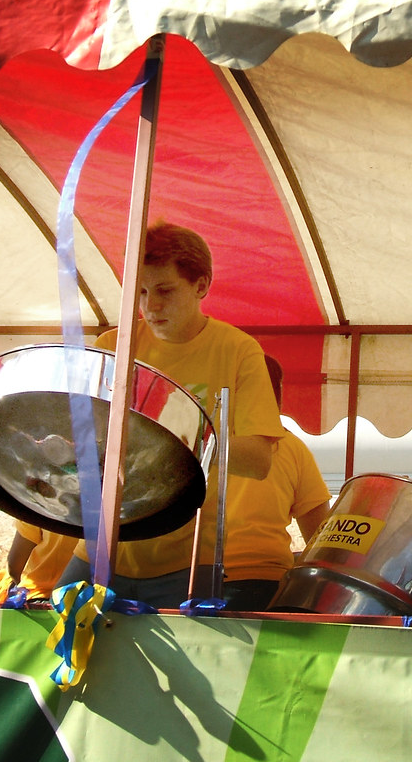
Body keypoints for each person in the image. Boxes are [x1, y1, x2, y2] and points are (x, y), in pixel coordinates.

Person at [57, 221, 285, 608]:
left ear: (201, 286)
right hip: (100, 547)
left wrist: (173, 441)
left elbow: (259, 460)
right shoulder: (113, 345)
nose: (150, 306)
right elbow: (76, 434)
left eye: (165, 291)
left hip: (188, 560)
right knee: (59, 651)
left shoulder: (238, 350)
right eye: (141, 292)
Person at [220, 355, 332, 611]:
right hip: (271, 583)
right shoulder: (292, 447)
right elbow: (320, 540)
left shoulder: (202, 442)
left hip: (197, 579)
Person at [5, 521, 77, 600]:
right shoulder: (91, 516)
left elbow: (14, 566)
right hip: (84, 601)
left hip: (39, 596)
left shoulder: (38, 510)